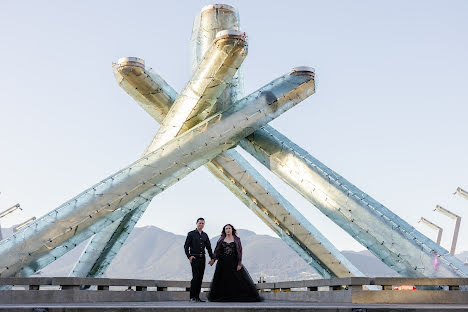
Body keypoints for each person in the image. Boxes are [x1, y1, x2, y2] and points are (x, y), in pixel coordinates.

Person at [208, 224, 262, 302]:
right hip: (222, 263)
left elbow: (240, 252)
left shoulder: (237, 239)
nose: (228, 230)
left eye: (229, 228)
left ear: (232, 229)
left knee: (237, 280)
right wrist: (213, 259)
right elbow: (217, 251)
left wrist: (239, 263)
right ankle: (224, 297)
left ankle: (237, 296)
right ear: (224, 230)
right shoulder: (221, 239)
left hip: (234, 262)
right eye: (226, 228)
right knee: (223, 280)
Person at [184, 217, 214, 302]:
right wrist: (189, 256)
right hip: (194, 258)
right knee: (195, 276)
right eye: (200, 223)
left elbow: (209, 248)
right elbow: (186, 246)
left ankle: (197, 297)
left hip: (202, 258)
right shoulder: (191, 234)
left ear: (204, 225)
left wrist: (212, 258)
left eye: (202, 223)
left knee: (200, 277)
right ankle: (192, 297)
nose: (201, 224)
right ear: (196, 223)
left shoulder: (205, 235)